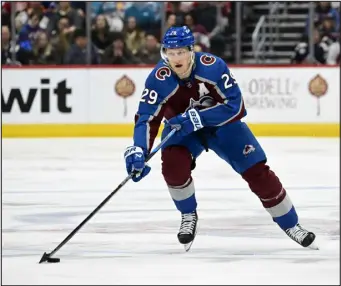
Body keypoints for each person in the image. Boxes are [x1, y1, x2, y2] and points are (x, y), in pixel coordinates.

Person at [124, 26, 318, 251]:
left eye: (180, 52)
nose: (175, 58)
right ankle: (188, 214)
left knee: (256, 170)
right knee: (172, 166)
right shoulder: (158, 79)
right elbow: (147, 118)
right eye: (170, 52)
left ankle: (291, 224)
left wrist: (198, 117)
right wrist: (138, 149)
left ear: (191, 51)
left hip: (223, 127)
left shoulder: (213, 67)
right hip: (183, 130)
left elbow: (236, 106)